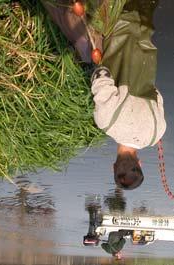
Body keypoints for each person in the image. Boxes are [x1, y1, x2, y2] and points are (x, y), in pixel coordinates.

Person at [42, 0, 166, 190]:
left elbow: (157, 95)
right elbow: (102, 77)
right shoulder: (107, 123)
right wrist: (94, 66)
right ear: (113, 166)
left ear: (140, 164)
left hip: (143, 39)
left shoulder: (157, 132)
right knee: (75, 30)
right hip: (117, 31)